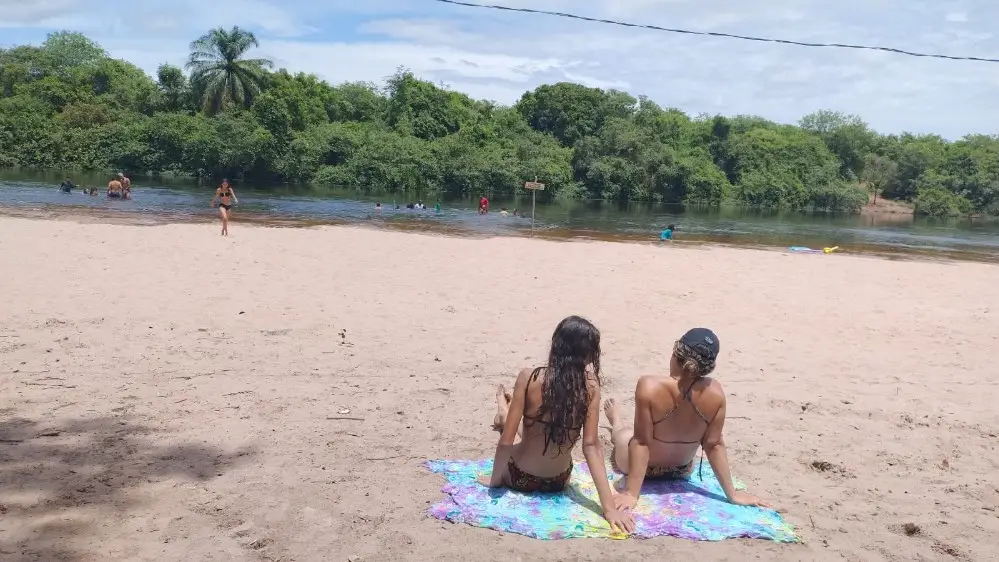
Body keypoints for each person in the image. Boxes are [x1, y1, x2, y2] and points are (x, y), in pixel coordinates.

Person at [482, 316, 635, 534]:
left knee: (520, 430)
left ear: (555, 343)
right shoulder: (591, 386)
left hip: (519, 476)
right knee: (536, 430)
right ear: (589, 353)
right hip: (558, 481)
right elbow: (591, 446)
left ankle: (503, 411)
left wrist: (496, 480)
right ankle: (503, 411)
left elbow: (506, 440)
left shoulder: (529, 377)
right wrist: (609, 509)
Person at [605, 328, 770, 510]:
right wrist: (732, 494)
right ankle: (617, 422)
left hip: (639, 468)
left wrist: (631, 493)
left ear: (675, 355)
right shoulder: (716, 393)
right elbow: (714, 445)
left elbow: (642, 442)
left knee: (624, 435)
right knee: (632, 436)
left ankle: (616, 422)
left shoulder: (649, 386)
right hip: (681, 470)